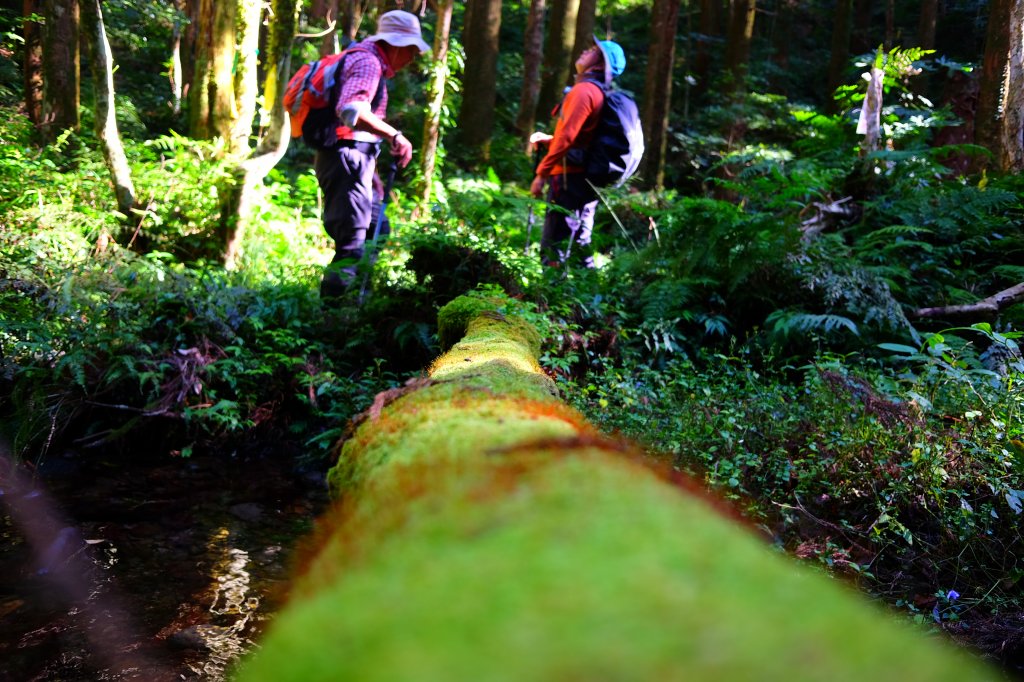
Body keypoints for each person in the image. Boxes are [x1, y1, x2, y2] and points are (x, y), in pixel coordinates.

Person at [316, 10, 429, 301]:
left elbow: (359, 131)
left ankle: (357, 303)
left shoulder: (370, 61)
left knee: (378, 227)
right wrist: (395, 135)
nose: (412, 58)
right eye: (411, 50)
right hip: (345, 162)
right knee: (352, 244)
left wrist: (373, 176)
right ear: (395, 44)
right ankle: (333, 319)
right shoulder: (367, 62)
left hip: (356, 162)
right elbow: (351, 111)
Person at [530, 37, 627, 269]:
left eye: (593, 50)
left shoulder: (584, 91)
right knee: (581, 243)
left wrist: (541, 174)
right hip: (585, 179)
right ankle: (590, 301)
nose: (585, 51)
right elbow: (582, 138)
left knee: (554, 245)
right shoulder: (598, 92)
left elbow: (567, 138)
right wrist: (550, 140)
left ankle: (552, 299)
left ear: (601, 65)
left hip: (567, 179)